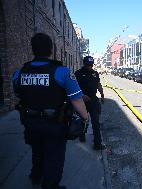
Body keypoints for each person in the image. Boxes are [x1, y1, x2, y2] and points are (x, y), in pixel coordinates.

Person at [12, 33, 88, 189]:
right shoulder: (62, 72)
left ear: (32, 49)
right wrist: (85, 117)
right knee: (54, 158)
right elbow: (77, 100)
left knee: (37, 151)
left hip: (30, 123)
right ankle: (50, 185)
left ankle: (36, 177)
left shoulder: (19, 72)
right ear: (51, 50)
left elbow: (18, 94)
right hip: (54, 124)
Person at [75, 56, 105, 150]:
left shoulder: (95, 73)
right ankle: (82, 134)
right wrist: (81, 95)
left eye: (91, 65)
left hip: (93, 100)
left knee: (96, 122)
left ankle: (97, 144)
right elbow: (74, 87)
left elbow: (98, 84)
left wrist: (102, 95)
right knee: (82, 120)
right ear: (84, 64)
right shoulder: (78, 73)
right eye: (88, 65)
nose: (90, 67)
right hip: (82, 101)